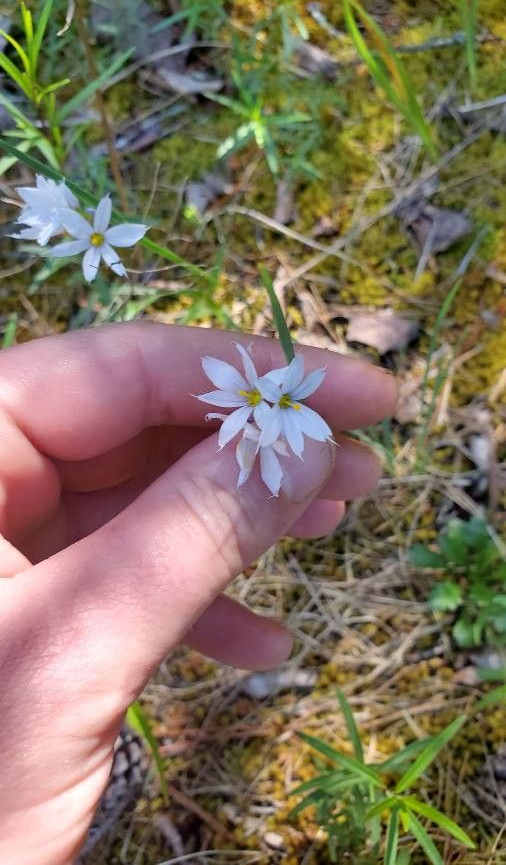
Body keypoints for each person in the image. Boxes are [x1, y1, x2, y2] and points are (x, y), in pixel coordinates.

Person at [0, 322, 397, 864]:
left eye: (269, 398)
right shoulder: (257, 407)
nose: (266, 402)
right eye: (263, 399)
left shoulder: (271, 404)